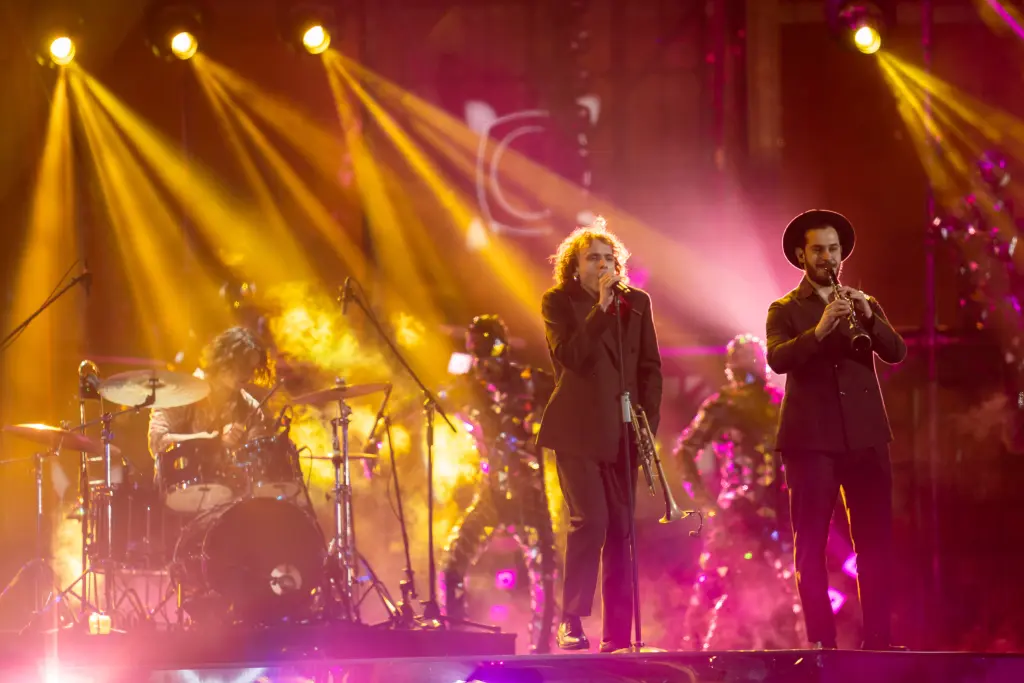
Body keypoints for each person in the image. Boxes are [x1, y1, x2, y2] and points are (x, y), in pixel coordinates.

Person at [765, 209, 907, 651]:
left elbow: (897, 352)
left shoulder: (864, 302)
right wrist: (821, 328)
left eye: (833, 249)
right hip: (811, 442)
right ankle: (822, 646)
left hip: (866, 437)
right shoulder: (785, 309)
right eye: (818, 250)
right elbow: (777, 359)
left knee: (875, 542)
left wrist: (870, 317)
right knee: (811, 546)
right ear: (801, 255)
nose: (827, 257)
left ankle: (878, 641)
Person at [536, 216, 663, 652]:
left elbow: (650, 369)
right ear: (575, 266)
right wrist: (601, 309)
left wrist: (647, 430)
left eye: (609, 258)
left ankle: (618, 636)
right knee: (591, 520)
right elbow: (570, 356)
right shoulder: (558, 302)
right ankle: (571, 619)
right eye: (593, 258)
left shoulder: (637, 303)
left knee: (622, 531)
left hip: (623, 431)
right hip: (576, 429)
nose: (603, 264)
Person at [673, 334, 805, 650]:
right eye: (746, 359)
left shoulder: (779, 403)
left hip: (774, 513)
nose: (751, 366)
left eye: (753, 358)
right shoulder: (725, 405)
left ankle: (796, 652)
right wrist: (707, 503)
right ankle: (692, 653)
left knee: (788, 587)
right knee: (716, 582)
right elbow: (684, 452)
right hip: (739, 513)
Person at [439, 314, 557, 654]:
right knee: (451, 566)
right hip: (490, 495)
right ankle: (457, 642)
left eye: (485, 350)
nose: (481, 361)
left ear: (501, 348)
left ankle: (541, 652)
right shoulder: (469, 387)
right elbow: (429, 401)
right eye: (474, 351)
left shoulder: (531, 381)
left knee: (545, 575)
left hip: (528, 494)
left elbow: (573, 394)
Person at [148, 325, 271, 461]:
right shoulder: (180, 394)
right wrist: (214, 441)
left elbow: (259, 459)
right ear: (223, 358)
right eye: (242, 365)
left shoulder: (251, 407)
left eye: (253, 368)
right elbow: (157, 442)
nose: (248, 374)